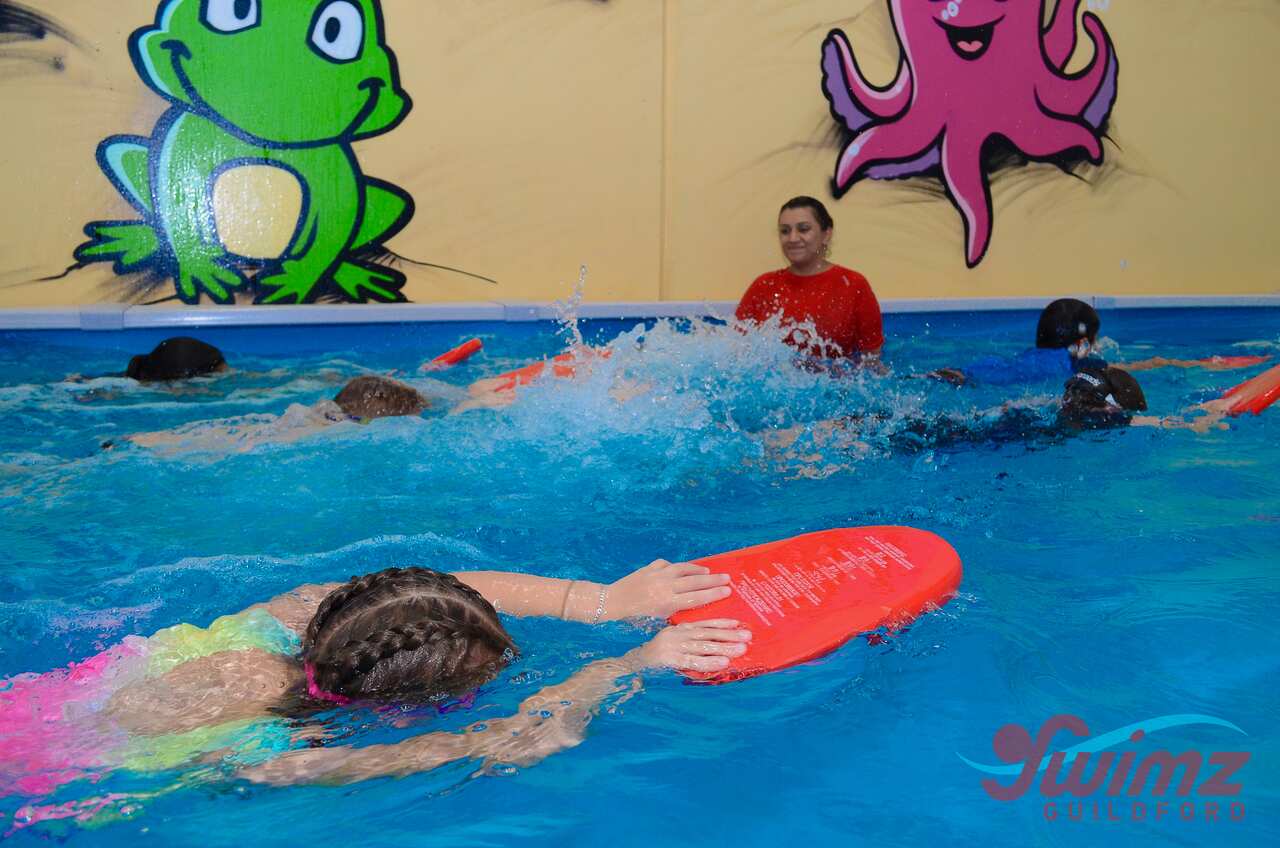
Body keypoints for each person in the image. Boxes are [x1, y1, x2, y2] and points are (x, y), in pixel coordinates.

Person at [0, 561, 747, 800]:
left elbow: (423, 589)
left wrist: (599, 602)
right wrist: (629, 663)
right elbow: (510, 743)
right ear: (399, 707)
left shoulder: (273, 624)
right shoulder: (281, 752)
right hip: (38, 790)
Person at [118, 374, 434, 453]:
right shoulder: (351, 432)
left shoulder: (319, 411)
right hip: (267, 445)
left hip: (269, 429)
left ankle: (148, 440)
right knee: (225, 447)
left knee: (218, 439)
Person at [735, 196, 883, 361]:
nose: (792, 238)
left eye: (803, 229)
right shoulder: (763, 286)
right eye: (785, 231)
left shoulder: (854, 285)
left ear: (826, 234)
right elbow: (736, 353)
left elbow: (871, 362)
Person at [929, 298, 1105, 386]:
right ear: (1082, 344)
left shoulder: (1032, 355)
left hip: (989, 369)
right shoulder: (1076, 365)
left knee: (968, 375)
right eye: (1094, 339)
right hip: (1007, 382)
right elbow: (1113, 372)